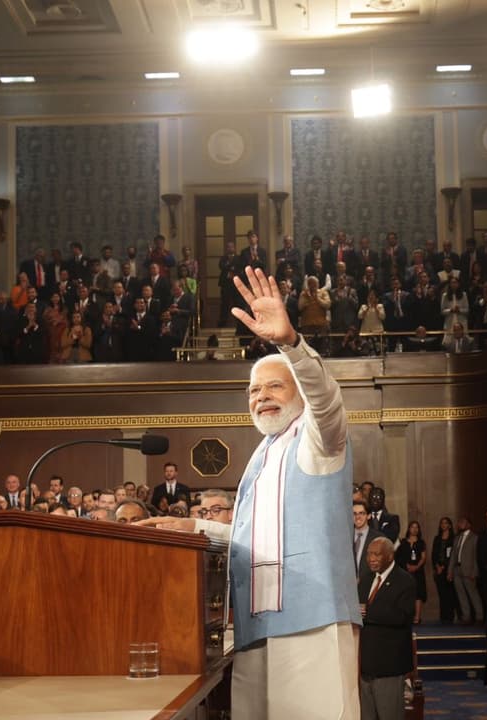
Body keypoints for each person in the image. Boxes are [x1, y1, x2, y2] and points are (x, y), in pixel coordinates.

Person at [138, 266, 361, 719]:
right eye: (253, 391)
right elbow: (255, 541)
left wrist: (290, 344)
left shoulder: (318, 438)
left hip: (311, 622)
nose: (261, 397)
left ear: (299, 391)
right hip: (254, 627)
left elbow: (327, 400)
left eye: (274, 386)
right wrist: (193, 527)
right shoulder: (260, 456)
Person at [358, 537, 415, 720]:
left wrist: (369, 613)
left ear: (390, 556)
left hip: (389, 667)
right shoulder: (366, 580)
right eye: (369, 554)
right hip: (365, 667)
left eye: (377, 554)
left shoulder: (404, 580)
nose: (371, 559)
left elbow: (402, 616)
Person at [449, 516, 481, 624]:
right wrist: (450, 571)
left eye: (463, 522)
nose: (460, 524)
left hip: (469, 570)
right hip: (457, 569)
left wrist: (474, 572)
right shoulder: (457, 538)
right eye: (459, 522)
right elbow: (453, 555)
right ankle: (466, 616)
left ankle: (479, 616)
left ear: (469, 524)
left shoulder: (474, 538)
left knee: (473, 594)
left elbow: (476, 556)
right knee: (461, 594)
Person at [394, 521, 426, 624]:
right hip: (405, 572)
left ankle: (417, 617)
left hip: (418, 571)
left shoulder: (421, 542)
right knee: (406, 594)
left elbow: (423, 557)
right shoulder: (403, 542)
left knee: (418, 594)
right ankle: (406, 616)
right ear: (409, 529)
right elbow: (397, 556)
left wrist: (416, 566)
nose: (414, 529)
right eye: (412, 527)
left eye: (417, 527)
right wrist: (406, 565)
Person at [431, 517, 457, 623]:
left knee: (450, 594)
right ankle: (443, 617)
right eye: (442, 523)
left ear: (449, 525)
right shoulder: (437, 538)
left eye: (446, 523)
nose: (443, 525)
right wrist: (437, 566)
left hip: (449, 569)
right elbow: (434, 554)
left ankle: (450, 616)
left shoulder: (454, 538)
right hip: (438, 569)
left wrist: (445, 567)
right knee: (442, 594)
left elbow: (453, 555)